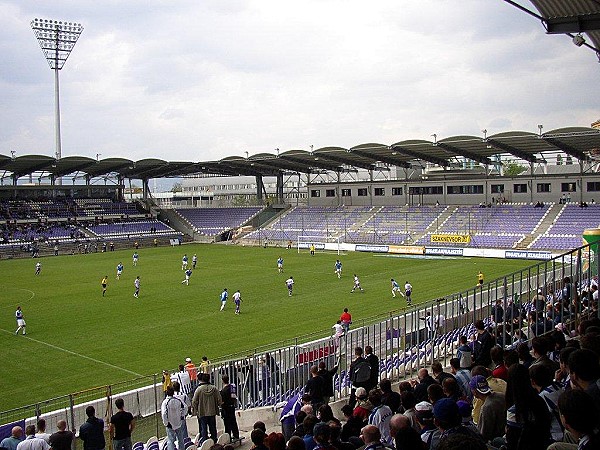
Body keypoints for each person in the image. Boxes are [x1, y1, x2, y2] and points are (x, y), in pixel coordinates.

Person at [469, 375, 505, 444]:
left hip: (495, 440)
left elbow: (484, 434)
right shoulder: (501, 395)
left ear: (475, 392)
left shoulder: (486, 407)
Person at [192, 373, 223, 443]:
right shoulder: (214, 388)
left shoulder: (198, 389)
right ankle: (214, 441)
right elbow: (219, 399)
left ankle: (205, 442)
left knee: (204, 429)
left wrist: (196, 409)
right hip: (212, 411)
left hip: (202, 412)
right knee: (213, 428)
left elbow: (194, 401)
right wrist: (218, 405)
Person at [161, 385, 187, 450]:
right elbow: (185, 408)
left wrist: (166, 423)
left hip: (170, 424)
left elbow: (164, 414)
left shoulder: (165, 402)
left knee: (170, 440)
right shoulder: (178, 400)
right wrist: (182, 416)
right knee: (180, 439)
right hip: (178, 423)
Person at [220, 375, 240, 440]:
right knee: (233, 421)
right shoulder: (232, 387)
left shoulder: (223, 391)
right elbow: (234, 397)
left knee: (227, 423)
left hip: (226, 408)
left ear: (222, 381)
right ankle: (236, 435)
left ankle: (228, 436)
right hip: (232, 406)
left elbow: (222, 401)